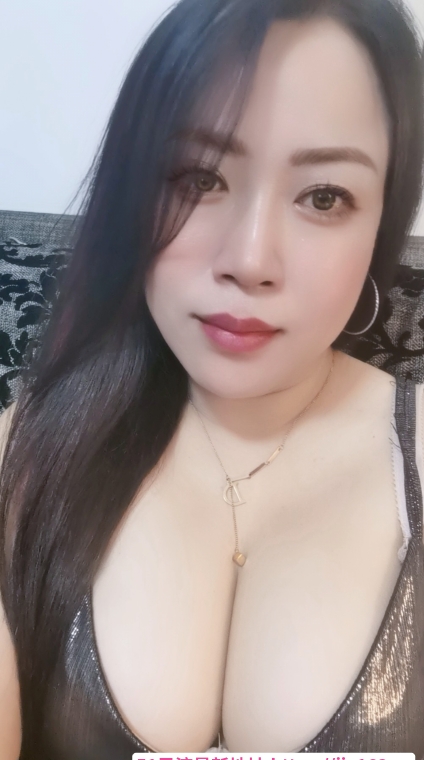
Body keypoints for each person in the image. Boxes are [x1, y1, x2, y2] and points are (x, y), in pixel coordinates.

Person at [1, 0, 424, 757]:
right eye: (199, 178)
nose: (251, 259)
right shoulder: (22, 456)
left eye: (324, 196)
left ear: (380, 223)